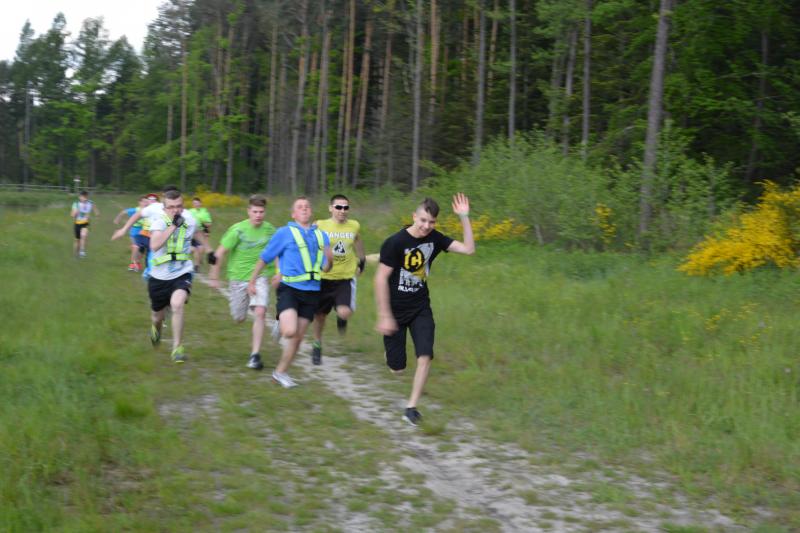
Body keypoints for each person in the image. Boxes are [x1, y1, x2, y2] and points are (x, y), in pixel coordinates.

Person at [374, 193, 474, 426]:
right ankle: (391, 355)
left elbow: (469, 249)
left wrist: (464, 217)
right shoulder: (395, 242)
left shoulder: (436, 239)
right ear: (414, 217)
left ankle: (411, 408)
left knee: (425, 355)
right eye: (423, 220)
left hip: (420, 307)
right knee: (397, 368)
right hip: (395, 310)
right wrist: (384, 315)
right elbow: (380, 279)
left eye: (431, 222)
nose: (426, 226)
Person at [248, 197, 333, 387]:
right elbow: (265, 257)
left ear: (311, 212)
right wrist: (252, 280)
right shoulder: (283, 233)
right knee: (289, 331)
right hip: (290, 288)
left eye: (307, 206)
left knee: (298, 337)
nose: (304, 209)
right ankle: (282, 321)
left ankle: (280, 373)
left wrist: (330, 261)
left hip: (312, 291)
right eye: (300, 207)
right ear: (293, 214)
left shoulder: (322, 236)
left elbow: (326, 267)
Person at [209, 194, 277, 370]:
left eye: (261, 212)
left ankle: (255, 355)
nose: (258, 215)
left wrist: (279, 272)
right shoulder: (238, 230)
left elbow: (277, 251)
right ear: (248, 211)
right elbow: (219, 253)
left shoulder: (270, 230)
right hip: (238, 278)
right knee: (239, 317)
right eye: (255, 211)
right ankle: (246, 306)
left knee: (260, 312)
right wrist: (214, 277)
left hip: (260, 276)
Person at [311, 194, 366, 365]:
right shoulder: (320, 225)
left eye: (345, 207)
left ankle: (341, 318)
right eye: (338, 207)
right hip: (324, 277)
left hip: (345, 277)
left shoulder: (354, 225)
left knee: (345, 312)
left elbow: (358, 241)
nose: (342, 211)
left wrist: (362, 260)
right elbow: (308, 242)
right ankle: (317, 344)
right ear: (331, 208)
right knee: (320, 316)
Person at [147, 189, 197, 363]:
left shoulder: (190, 220)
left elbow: (197, 233)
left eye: (179, 206)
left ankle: (177, 348)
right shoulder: (159, 222)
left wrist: (209, 249)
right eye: (171, 207)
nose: (175, 210)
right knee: (157, 316)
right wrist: (173, 226)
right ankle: (156, 328)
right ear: (164, 208)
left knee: (177, 304)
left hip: (181, 273)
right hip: (158, 277)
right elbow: (154, 245)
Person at [113, 195, 150, 271]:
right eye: (144, 201)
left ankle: (137, 263)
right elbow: (123, 212)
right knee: (136, 246)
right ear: (139, 202)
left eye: (147, 201)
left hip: (145, 232)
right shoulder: (135, 210)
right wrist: (117, 219)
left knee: (142, 249)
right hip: (135, 231)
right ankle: (132, 264)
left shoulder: (149, 210)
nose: (145, 203)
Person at [71, 190, 100, 258]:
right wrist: (76, 212)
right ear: (79, 197)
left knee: (84, 235)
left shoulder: (90, 203)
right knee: (77, 240)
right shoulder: (76, 204)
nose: (84, 198)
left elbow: (95, 209)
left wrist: (97, 215)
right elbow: (72, 215)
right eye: (82, 197)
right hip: (77, 224)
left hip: (85, 223)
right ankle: (75, 255)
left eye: (86, 197)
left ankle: (82, 251)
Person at [188, 197, 213, 272]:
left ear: (200, 204)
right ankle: (196, 265)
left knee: (201, 249)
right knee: (195, 250)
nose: (196, 204)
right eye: (194, 203)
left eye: (197, 203)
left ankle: (197, 264)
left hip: (200, 234)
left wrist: (204, 225)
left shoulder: (204, 212)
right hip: (191, 233)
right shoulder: (189, 212)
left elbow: (209, 224)